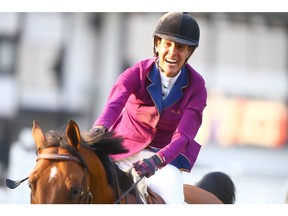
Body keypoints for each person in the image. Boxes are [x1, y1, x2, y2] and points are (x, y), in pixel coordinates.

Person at [90, 12, 207, 204]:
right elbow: (114, 105)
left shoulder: (197, 86)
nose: (172, 52)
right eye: (167, 44)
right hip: (122, 151)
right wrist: (98, 130)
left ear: (189, 52)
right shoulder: (137, 72)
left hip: (163, 161)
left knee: (173, 198)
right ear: (157, 45)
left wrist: (157, 160)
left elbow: (184, 136)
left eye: (181, 47)